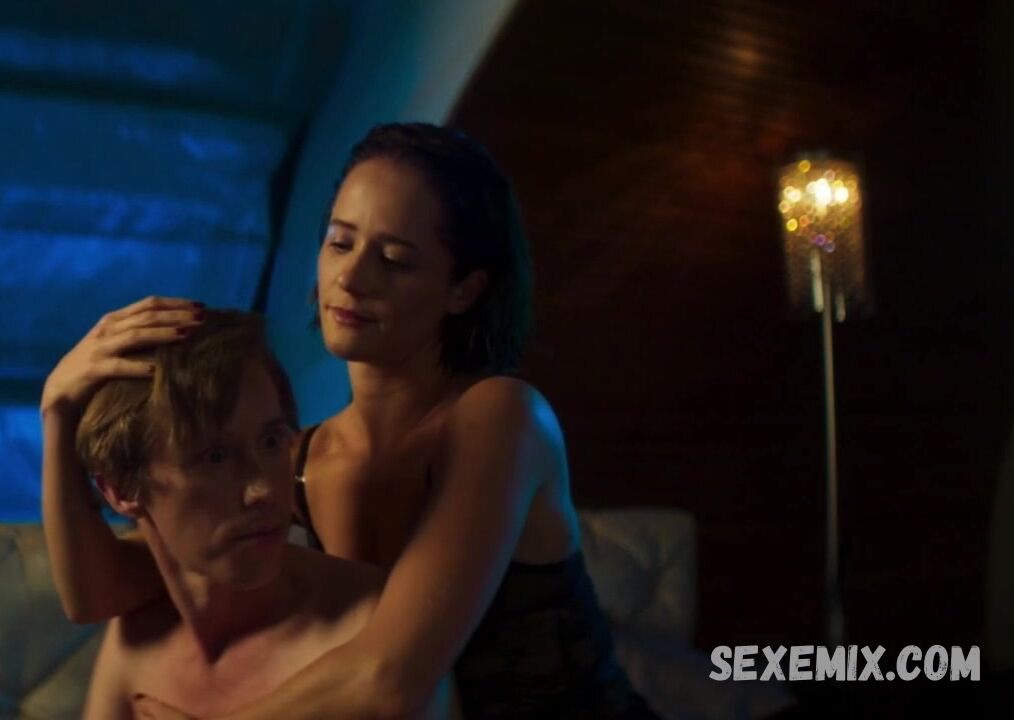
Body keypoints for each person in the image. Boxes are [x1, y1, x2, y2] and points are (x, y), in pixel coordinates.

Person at [42, 123, 653, 718]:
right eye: (339, 243)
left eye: (395, 259)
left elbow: (388, 681)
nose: (352, 278)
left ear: (463, 290)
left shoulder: (501, 417)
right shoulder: (300, 458)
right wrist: (58, 412)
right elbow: (97, 594)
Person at [62, 310, 448, 718]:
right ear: (121, 490)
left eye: (271, 441)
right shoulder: (139, 635)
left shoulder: (371, 633)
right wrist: (57, 409)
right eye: (215, 457)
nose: (262, 490)